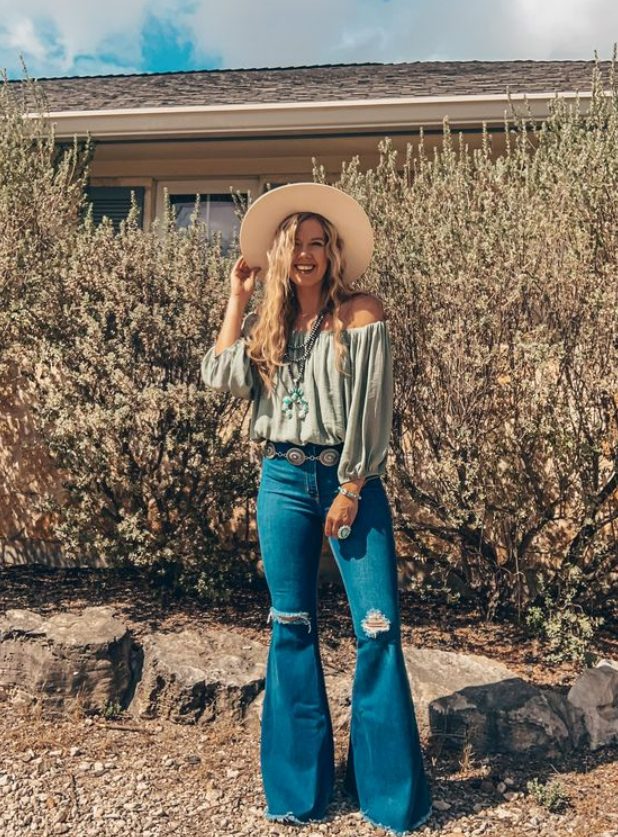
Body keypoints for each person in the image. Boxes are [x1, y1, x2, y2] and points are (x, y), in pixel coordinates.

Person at [200, 183, 432, 835]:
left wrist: (353, 485)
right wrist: (239, 296)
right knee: (291, 626)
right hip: (280, 478)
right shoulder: (270, 324)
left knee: (378, 629)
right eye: (296, 243)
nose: (306, 254)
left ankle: (387, 797)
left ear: (334, 252)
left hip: (346, 479)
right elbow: (219, 376)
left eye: (317, 243)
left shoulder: (362, 312)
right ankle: (299, 794)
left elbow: (373, 408)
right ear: (282, 251)